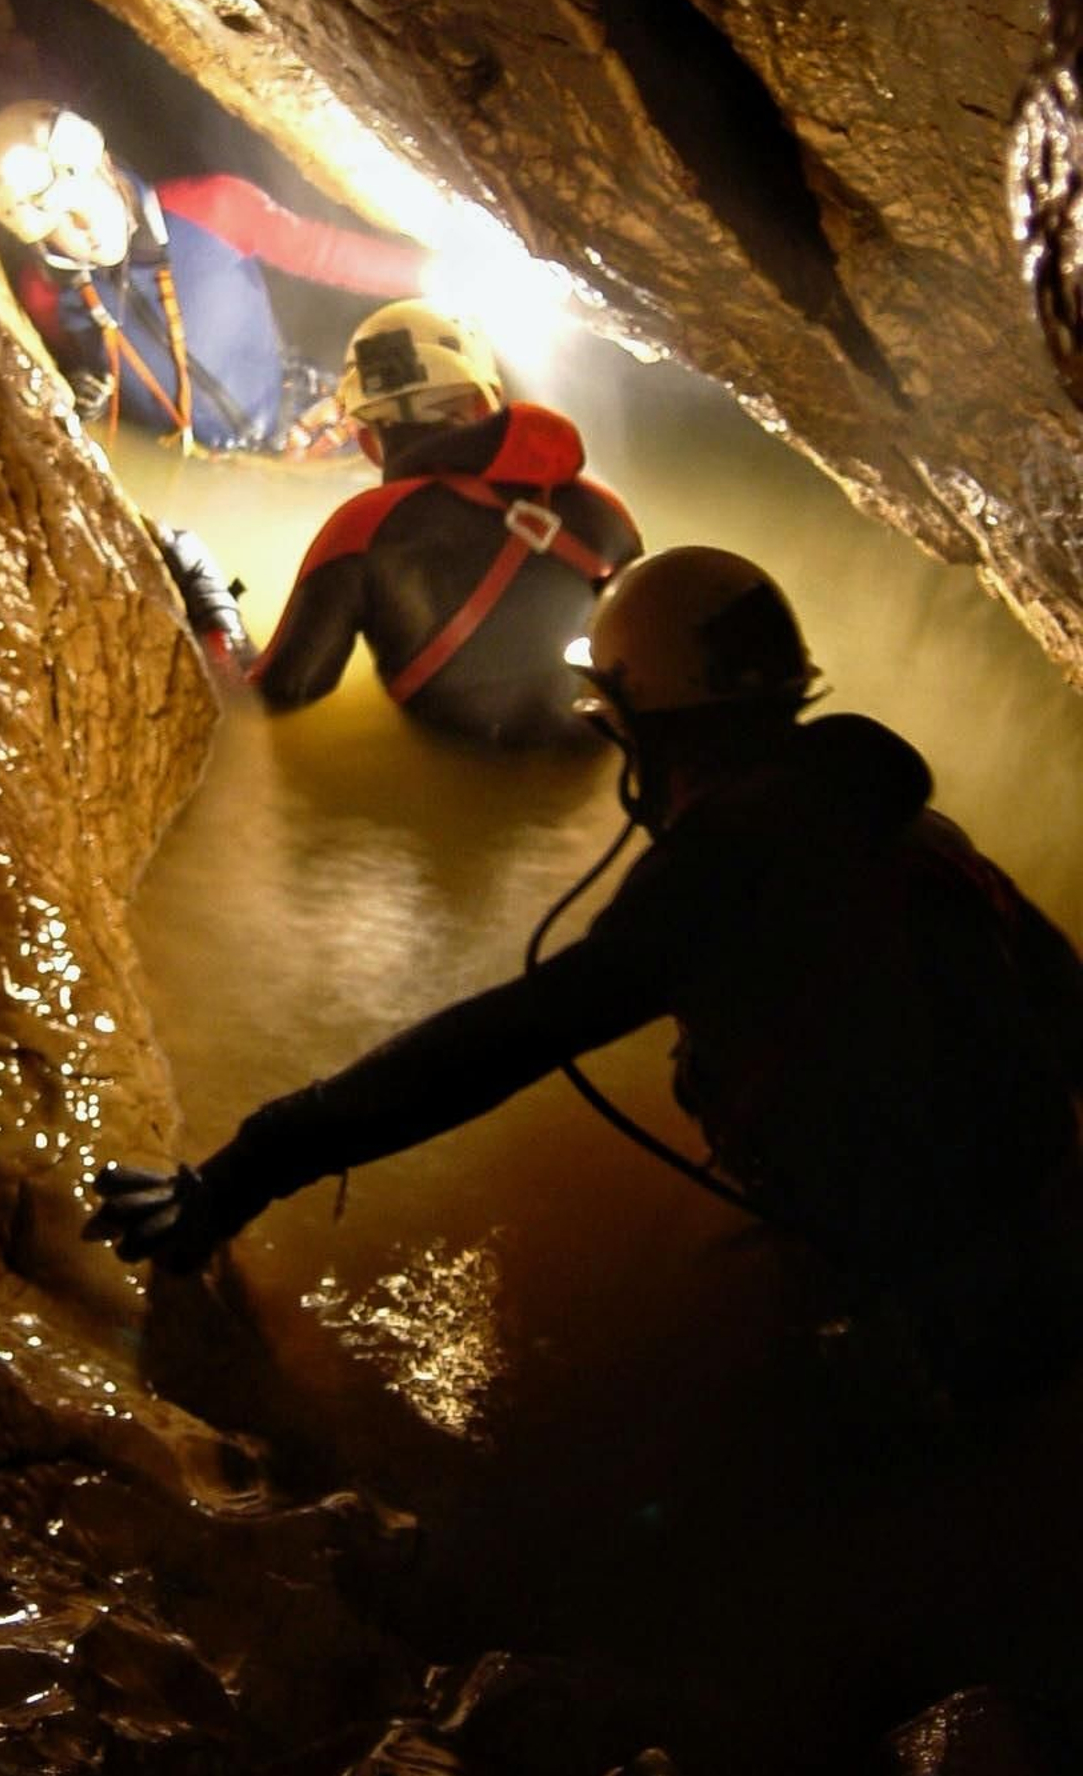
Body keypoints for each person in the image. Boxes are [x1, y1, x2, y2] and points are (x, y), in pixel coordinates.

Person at [84, 546, 1083, 1402]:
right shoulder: (899, 823)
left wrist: (244, 1169)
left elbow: (500, 1044)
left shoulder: (721, 872)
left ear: (646, 718)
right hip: (1046, 1217)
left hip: (943, 1290)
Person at [246, 300, 643, 746]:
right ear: (482, 405)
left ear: (368, 443)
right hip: (595, 758)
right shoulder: (610, 513)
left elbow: (285, 691)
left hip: (451, 760)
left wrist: (216, 620)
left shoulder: (362, 527)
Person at [0, 100, 431, 454]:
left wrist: (430, 277)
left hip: (294, 415)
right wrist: (81, 392)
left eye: (84, 198)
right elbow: (69, 361)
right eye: (59, 221)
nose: (84, 226)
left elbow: (322, 252)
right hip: (197, 465)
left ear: (105, 166)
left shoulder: (210, 209)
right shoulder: (46, 294)